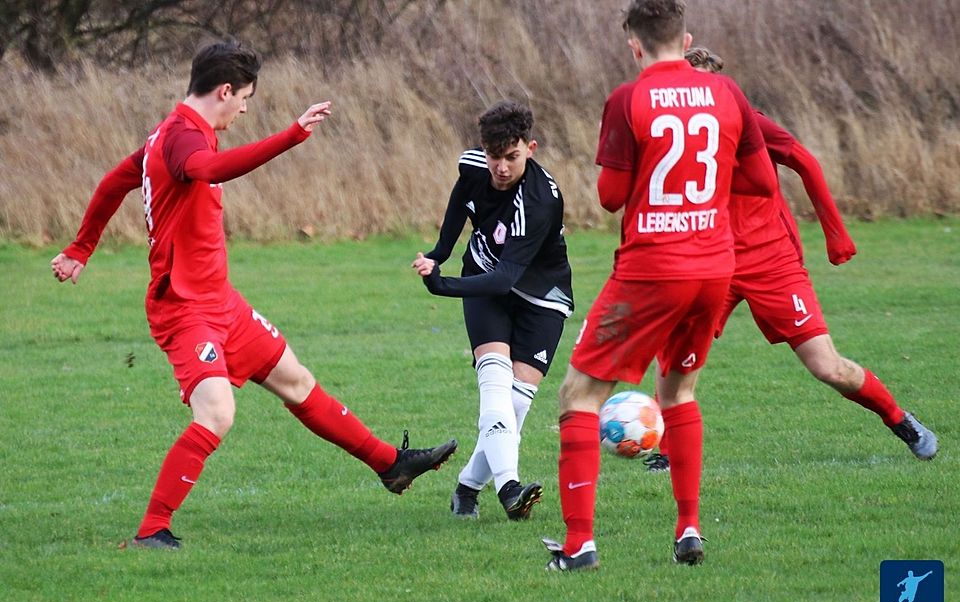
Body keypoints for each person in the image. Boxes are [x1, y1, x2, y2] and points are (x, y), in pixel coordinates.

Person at [51, 41, 457, 550]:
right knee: (217, 414)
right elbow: (210, 170)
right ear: (224, 91)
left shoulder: (170, 133)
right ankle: (152, 529)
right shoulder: (182, 137)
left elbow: (114, 182)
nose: (244, 109)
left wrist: (81, 248)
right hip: (184, 309)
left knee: (297, 382)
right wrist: (291, 135)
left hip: (221, 303)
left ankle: (390, 465)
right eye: (244, 98)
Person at [540, 0, 777, 571]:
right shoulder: (728, 93)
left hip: (652, 269)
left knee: (578, 396)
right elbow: (762, 180)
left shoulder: (628, 99)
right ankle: (688, 527)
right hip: (714, 267)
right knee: (679, 393)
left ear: (635, 45)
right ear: (686, 39)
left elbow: (610, 197)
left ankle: (579, 544)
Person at [644, 47, 938, 474]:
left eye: (705, 83)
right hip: (712, 261)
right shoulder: (673, 131)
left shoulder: (747, 120)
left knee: (828, 368)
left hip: (771, 262)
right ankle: (667, 453)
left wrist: (836, 233)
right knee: (674, 354)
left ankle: (899, 419)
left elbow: (804, 161)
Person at [412, 101, 573, 521]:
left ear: (530, 148)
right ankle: (509, 489)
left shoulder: (540, 200)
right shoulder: (474, 165)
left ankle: (466, 488)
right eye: (493, 156)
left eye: (511, 157)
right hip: (484, 279)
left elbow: (506, 279)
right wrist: (440, 252)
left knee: (514, 406)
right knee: (495, 387)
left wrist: (443, 284)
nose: (501, 167)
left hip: (541, 295)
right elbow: (461, 199)